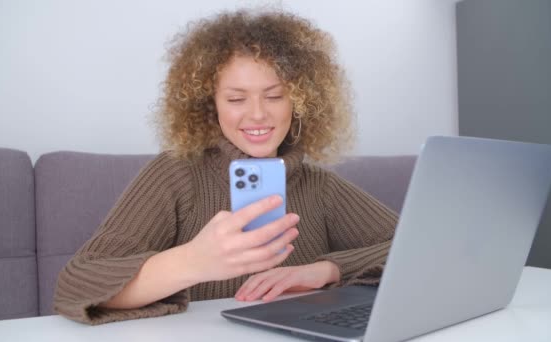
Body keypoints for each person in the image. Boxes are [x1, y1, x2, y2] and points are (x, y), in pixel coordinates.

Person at [54, 8, 397, 325]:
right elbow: (75, 285)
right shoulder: (177, 172)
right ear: (210, 104)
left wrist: (327, 270)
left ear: (301, 100)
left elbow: (413, 246)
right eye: (236, 99)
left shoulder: (319, 185)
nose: (258, 114)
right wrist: (192, 262)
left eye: (275, 95)